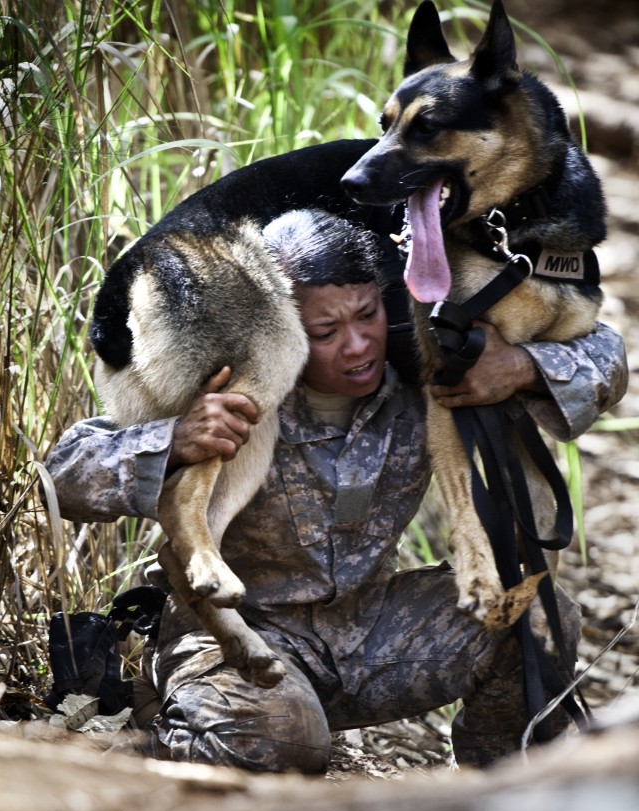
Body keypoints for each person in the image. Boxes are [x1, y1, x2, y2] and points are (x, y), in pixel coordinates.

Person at [45, 208, 628, 771]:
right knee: (282, 739)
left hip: (369, 631)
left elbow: (606, 355)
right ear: (284, 329)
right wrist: (175, 439)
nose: (357, 345)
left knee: (541, 622)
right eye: (325, 330)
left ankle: (495, 792)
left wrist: (521, 365)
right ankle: (141, 730)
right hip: (230, 636)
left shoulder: (418, 383)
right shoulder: (234, 390)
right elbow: (62, 474)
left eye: (368, 314)